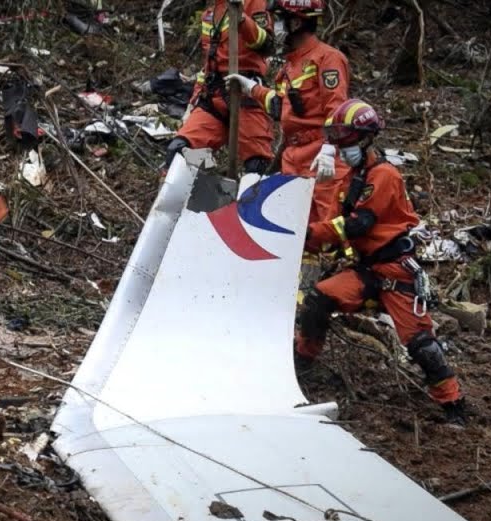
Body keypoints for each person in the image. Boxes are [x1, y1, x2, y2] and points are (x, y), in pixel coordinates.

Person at [294, 99, 467, 424]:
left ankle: (453, 404)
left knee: (421, 345)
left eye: (345, 142)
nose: (342, 149)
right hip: (365, 271)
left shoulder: (384, 175)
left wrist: (308, 234)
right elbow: (335, 224)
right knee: (319, 298)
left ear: (363, 139)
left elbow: (359, 224)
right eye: (338, 143)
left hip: (394, 271)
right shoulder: (348, 180)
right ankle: (302, 363)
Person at [225, 0, 349, 205]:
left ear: (296, 23)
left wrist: (328, 149)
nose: (275, 26)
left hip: (321, 158)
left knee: (322, 225)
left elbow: (337, 109)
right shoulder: (289, 66)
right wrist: (251, 88)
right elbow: (280, 106)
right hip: (292, 157)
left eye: (280, 20)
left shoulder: (327, 59)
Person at [165, 0, 275, 175]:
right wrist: (193, 101)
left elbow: (267, 46)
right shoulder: (210, 13)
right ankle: (211, 175)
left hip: (245, 94)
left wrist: (242, 19)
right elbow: (207, 65)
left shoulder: (254, 3)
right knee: (178, 151)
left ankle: (244, 193)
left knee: (257, 166)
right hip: (213, 96)